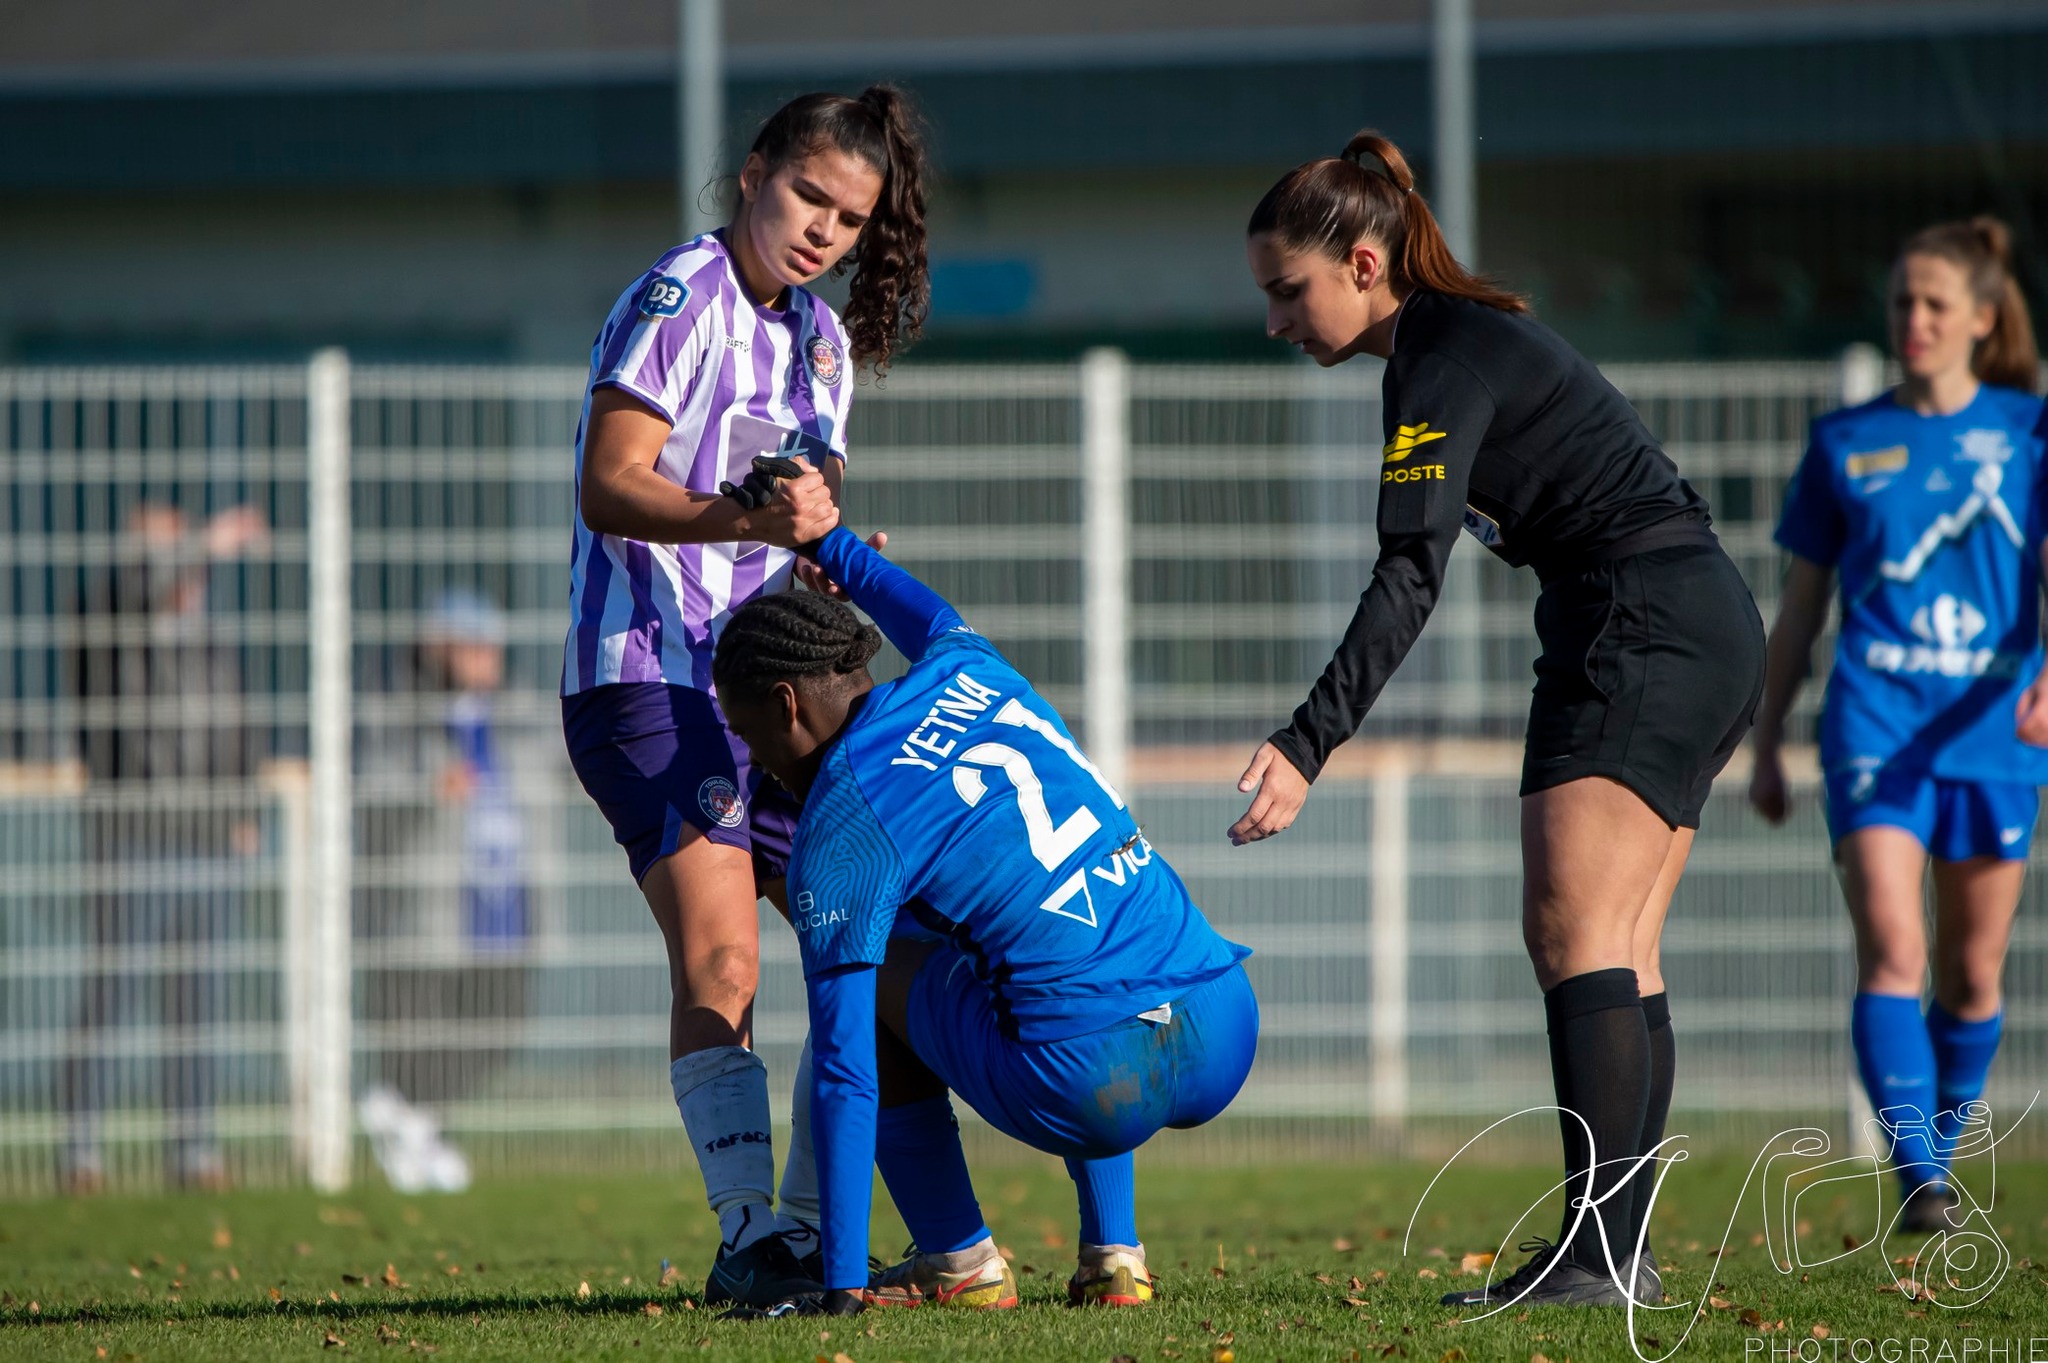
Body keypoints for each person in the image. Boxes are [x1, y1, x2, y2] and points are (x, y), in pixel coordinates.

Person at [1235, 131, 1764, 1308]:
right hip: (1693, 618)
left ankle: (1592, 1256)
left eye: (1288, 291)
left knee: (1572, 932)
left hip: (1637, 623)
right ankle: (1610, 1254)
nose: (1276, 320)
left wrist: (1304, 741)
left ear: (1363, 265)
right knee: (1618, 946)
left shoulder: (1439, 360)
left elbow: (1406, 574)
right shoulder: (1452, 345)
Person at [560, 87, 929, 1305]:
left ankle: (822, 1243)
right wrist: (744, 517)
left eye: (851, 217)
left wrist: (826, 545)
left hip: (770, 693)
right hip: (647, 675)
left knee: (859, 944)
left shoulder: (822, 345)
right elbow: (609, 484)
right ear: (753, 173)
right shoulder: (679, 296)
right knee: (722, 953)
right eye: (808, 196)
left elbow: (795, 518)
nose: (824, 229)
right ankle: (747, 1236)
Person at [711, 523, 1260, 1315]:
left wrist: (839, 1285)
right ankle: (1115, 1260)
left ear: (786, 704)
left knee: (890, 968)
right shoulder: (967, 661)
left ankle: (959, 1260)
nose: (754, 760)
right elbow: (914, 603)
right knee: (1051, 947)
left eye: (747, 733)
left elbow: (844, 1067)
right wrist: (829, 539)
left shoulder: (839, 827)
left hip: (1095, 1082)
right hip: (1224, 1015)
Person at [1750, 217, 2045, 1234]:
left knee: (1971, 974)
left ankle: (1937, 1152)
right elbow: (1798, 608)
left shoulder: (2029, 432)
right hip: (1872, 722)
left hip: (1992, 730)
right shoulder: (1844, 441)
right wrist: (1762, 739)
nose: (1911, 320)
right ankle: (1918, 1177)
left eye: (1931, 303)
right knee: (1890, 944)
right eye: (1898, 304)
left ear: (1980, 315)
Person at [64, 501, 269, 1192]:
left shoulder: (209, 636)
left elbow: (237, 721)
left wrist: (244, 810)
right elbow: (138, 593)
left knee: (199, 1002)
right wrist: (207, 540)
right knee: (113, 993)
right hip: (134, 834)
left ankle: (193, 1148)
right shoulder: (111, 624)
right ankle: (80, 1152)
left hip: (208, 839)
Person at [357, 588, 556, 1193]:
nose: (485, 658)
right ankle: (416, 1126)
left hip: (510, 902)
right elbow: (366, 789)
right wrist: (426, 782)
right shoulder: (396, 711)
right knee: (427, 1032)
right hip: (433, 905)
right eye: (470, 646)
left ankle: (405, 1113)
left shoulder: (521, 711)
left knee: (499, 1028)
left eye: (489, 646)